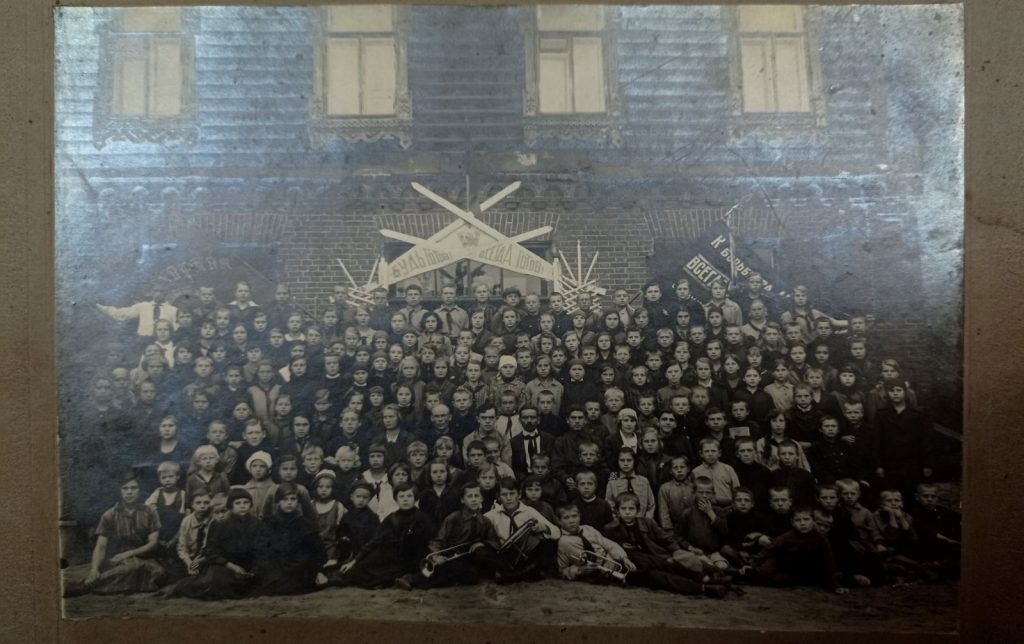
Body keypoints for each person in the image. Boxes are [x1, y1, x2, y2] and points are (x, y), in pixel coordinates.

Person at [602, 492, 726, 597]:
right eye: (623, 509)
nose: (627, 512)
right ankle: (703, 588)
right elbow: (609, 549)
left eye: (631, 509)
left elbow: (666, 539)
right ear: (617, 511)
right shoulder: (610, 529)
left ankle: (707, 579)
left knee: (670, 565)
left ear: (638, 510)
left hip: (653, 559)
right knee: (660, 577)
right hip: (633, 567)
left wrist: (675, 550)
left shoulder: (647, 523)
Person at [63, 474, 166, 597]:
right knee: (130, 568)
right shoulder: (110, 515)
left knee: (158, 572)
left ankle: (98, 584)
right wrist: (94, 569)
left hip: (145, 557)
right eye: (125, 488)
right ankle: (84, 586)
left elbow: (153, 543)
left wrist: (128, 553)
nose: (129, 492)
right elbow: (101, 546)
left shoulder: (150, 512)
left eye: (134, 488)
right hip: (116, 559)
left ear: (140, 491)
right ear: (119, 491)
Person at [397, 482, 504, 589]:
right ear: (462, 500)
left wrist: (482, 543)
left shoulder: (485, 521)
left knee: (472, 575)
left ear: (481, 499)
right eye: (470, 496)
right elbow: (437, 541)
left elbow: (495, 543)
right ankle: (410, 579)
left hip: (473, 559)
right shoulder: (453, 518)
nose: (473, 499)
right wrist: (436, 556)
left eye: (476, 496)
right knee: (450, 571)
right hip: (453, 557)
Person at [331, 482, 432, 589]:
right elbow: (376, 540)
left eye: (409, 496)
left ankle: (405, 578)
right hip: (393, 556)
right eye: (401, 496)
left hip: (415, 557)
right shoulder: (392, 518)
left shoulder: (422, 518)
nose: (405, 499)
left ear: (415, 498)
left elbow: (425, 541)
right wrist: (355, 560)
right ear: (396, 499)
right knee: (361, 568)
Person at [740, 507, 847, 593]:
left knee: (780, 580)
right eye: (798, 520)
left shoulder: (821, 539)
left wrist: (834, 586)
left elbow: (828, 562)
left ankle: (752, 576)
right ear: (792, 523)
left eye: (806, 519)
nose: (802, 523)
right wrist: (753, 564)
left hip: (798, 568)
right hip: (779, 560)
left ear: (813, 521)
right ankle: (743, 573)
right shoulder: (786, 537)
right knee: (765, 571)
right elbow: (768, 550)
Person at [484, 477, 561, 583]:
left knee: (548, 545)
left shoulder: (529, 511)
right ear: (498, 497)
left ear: (519, 494)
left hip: (526, 554)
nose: (509, 498)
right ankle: (527, 573)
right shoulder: (492, 515)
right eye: (504, 495)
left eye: (512, 494)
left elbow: (557, 532)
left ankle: (511, 576)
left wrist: (543, 527)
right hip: (506, 557)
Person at [555, 503, 636, 583]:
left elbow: (608, 544)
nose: (571, 521)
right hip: (596, 574)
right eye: (566, 518)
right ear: (559, 521)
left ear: (579, 516)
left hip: (613, 560)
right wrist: (579, 570)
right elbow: (562, 571)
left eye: (574, 516)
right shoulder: (563, 542)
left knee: (637, 564)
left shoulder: (588, 529)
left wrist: (624, 558)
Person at [604, 447, 656, 519]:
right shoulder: (612, 483)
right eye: (622, 460)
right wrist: (617, 521)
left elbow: (651, 505)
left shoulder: (643, 481)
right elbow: (609, 506)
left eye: (629, 460)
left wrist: (646, 521)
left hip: (642, 521)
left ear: (634, 461)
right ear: (617, 462)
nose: (626, 463)